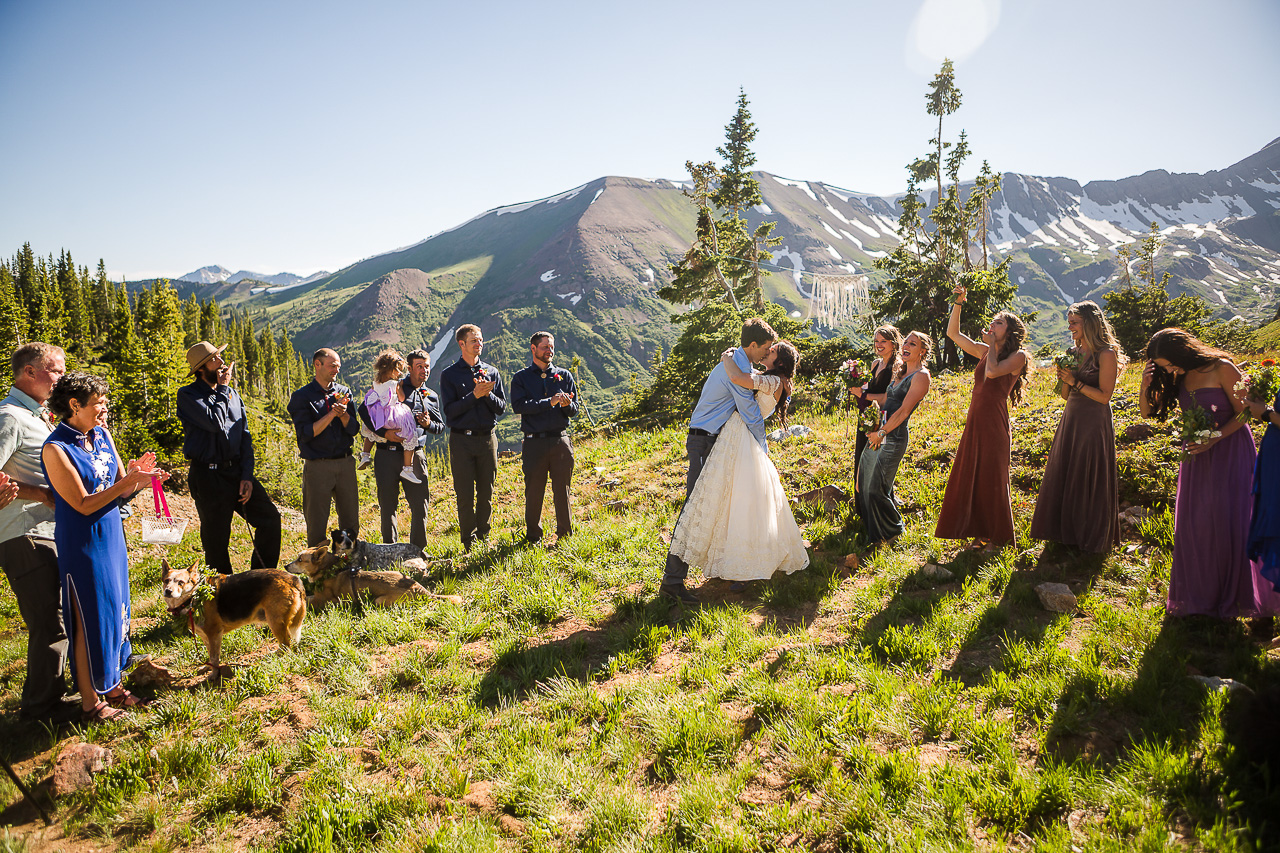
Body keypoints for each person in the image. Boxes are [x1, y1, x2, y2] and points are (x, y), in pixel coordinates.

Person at [41, 372, 167, 722]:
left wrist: (138, 480)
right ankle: (90, 702)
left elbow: (118, 491)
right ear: (74, 405)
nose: (105, 410)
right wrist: (126, 482)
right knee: (88, 618)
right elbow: (81, 504)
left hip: (111, 533)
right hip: (82, 541)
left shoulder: (101, 435)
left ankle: (112, 685)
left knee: (115, 610)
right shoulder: (56, 448)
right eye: (99, 404)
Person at [1140, 328, 1280, 619]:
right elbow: (1146, 413)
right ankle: (1201, 596)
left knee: (1231, 520)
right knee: (1197, 524)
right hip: (1196, 456)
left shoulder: (1222, 368)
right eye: (1163, 367)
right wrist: (1146, 383)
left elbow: (1245, 413)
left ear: (1181, 352)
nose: (1168, 369)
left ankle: (1237, 598)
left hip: (1230, 450)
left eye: (1167, 363)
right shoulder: (1179, 375)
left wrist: (1215, 436)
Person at [668, 340, 809, 585]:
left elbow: (739, 379)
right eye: (768, 348)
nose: (767, 352)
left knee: (737, 501)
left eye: (772, 351)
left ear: (780, 362)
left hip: (742, 437)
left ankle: (741, 565)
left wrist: (726, 358)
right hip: (737, 437)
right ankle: (734, 562)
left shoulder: (773, 381)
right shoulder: (774, 380)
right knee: (736, 501)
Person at [660, 318, 776, 603]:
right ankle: (672, 583)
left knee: (715, 505)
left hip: (710, 440)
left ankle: (719, 566)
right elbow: (749, 410)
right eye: (765, 348)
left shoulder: (736, 363)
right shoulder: (734, 369)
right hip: (704, 441)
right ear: (752, 345)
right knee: (694, 509)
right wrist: (762, 446)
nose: (766, 354)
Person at [0, 342, 70, 722]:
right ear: (29, 372)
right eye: (55, 370)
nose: (61, 377)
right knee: (48, 618)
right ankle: (41, 709)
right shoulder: (9, 417)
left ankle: (60, 691)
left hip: (48, 529)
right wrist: (39, 492)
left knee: (60, 611)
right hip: (22, 531)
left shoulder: (41, 416)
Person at [934, 289, 1030, 550]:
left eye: (999, 323)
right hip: (975, 421)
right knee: (972, 475)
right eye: (993, 321)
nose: (992, 325)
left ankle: (997, 538)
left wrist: (990, 346)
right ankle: (979, 532)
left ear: (1009, 332)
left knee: (992, 478)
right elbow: (953, 334)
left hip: (994, 423)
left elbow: (994, 372)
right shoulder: (987, 351)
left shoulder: (1017, 357)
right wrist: (957, 303)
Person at [177, 341, 282, 573]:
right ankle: (224, 594)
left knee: (270, 520)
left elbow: (244, 436)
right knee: (216, 540)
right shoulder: (188, 395)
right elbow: (214, 422)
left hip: (235, 471)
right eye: (216, 359)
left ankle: (259, 579)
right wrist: (223, 389)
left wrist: (246, 475)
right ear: (202, 368)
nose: (222, 363)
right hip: (208, 476)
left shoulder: (233, 395)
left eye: (220, 357)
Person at [1029, 301, 1123, 553]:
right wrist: (1063, 377)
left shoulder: (1106, 354)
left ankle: (1089, 538)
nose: (1069, 327)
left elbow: (1105, 396)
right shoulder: (1072, 352)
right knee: (1067, 470)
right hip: (1071, 417)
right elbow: (1064, 395)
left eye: (1074, 322)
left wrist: (1075, 381)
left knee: (1087, 471)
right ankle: (1064, 535)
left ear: (1089, 323)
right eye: (1069, 322)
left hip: (1094, 420)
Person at [357, 348, 444, 547]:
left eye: (427, 367)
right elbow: (364, 411)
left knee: (420, 505)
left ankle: (417, 551)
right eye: (419, 367)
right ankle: (389, 551)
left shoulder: (430, 396)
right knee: (388, 507)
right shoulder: (393, 385)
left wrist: (428, 424)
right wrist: (383, 434)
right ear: (409, 369)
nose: (424, 371)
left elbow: (440, 427)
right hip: (385, 455)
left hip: (415, 457)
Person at [857, 331, 932, 547]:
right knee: (864, 485)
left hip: (893, 436)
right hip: (879, 431)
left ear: (922, 351)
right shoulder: (900, 372)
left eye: (913, 343)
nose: (906, 346)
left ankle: (894, 532)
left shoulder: (921, 376)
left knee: (876, 488)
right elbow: (886, 400)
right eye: (906, 342)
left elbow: (903, 411)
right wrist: (864, 402)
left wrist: (882, 433)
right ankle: (876, 536)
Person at [439, 325, 506, 550]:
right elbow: (450, 411)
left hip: (488, 438)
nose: (479, 344)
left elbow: (501, 407)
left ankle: (484, 537)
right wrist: (474, 395)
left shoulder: (492, 371)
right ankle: (468, 540)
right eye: (474, 341)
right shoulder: (449, 375)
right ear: (462, 344)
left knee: (487, 490)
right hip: (461, 441)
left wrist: (486, 395)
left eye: (481, 340)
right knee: (464, 493)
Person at [511, 332, 579, 545]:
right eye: (545, 347)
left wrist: (568, 405)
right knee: (534, 491)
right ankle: (533, 537)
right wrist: (547, 403)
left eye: (551, 347)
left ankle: (565, 536)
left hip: (561, 440)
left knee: (563, 490)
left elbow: (574, 410)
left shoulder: (564, 376)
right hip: (534, 442)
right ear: (533, 349)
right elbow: (519, 407)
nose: (549, 351)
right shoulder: (521, 378)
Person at [287, 348, 359, 547]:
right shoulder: (302, 397)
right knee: (317, 521)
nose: (336, 370)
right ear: (317, 365)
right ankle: (317, 569)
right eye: (332, 365)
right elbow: (307, 433)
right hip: (318, 465)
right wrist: (331, 415)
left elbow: (354, 429)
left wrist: (344, 415)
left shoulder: (344, 392)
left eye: (338, 366)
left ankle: (349, 563)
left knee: (351, 519)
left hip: (345, 462)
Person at [357, 350, 422, 485]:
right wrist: (400, 388)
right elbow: (402, 398)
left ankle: (365, 454)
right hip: (393, 415)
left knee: (370, 432)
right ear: (391, 370)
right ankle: (407, 468)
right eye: (398, 370)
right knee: (409, 435)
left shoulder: (376, 383)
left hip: (377, 414)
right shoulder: (395, 384)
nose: (400, 374)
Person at [849, 327, 902, 490]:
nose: (879, 345)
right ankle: (862, 505)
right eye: (876, 341)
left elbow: (888, 398)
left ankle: (876, 506)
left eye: (883, 341)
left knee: (875, 464)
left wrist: (863, 394)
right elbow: (868, 390)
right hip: (867, 417)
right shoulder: (875, 363)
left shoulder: (897, 366)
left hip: (883, 420)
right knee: (862, 459)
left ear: (893, 344)